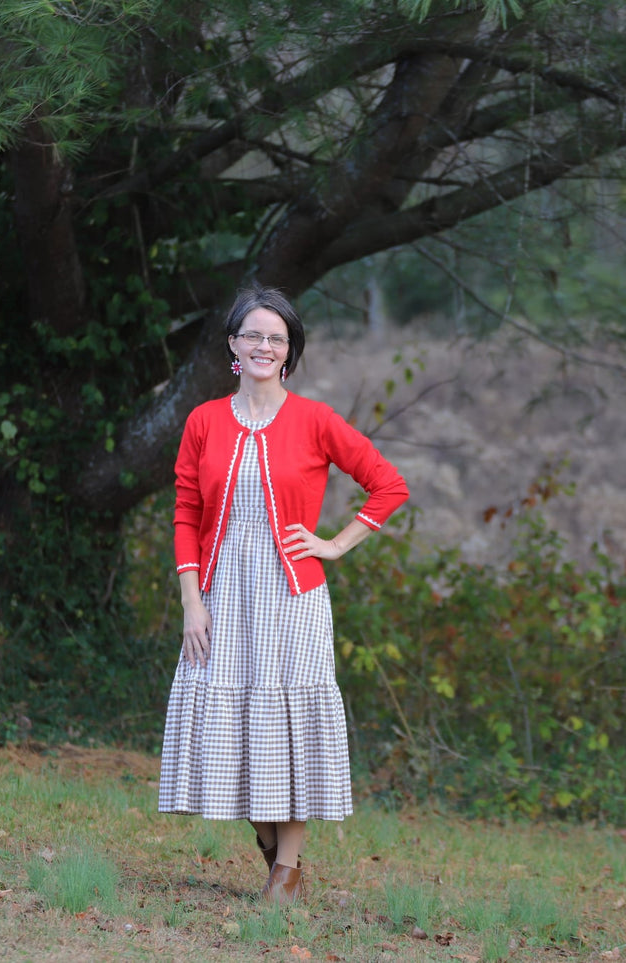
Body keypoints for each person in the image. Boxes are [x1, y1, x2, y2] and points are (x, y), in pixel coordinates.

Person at [157, 285, 409, 903]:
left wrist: (336, 544)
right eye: (253, 335)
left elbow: (389, 485)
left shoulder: (315, 420)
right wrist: (192, 600)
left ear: (289, 351)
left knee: (288, 728)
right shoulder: (204, 420)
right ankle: (276, 857)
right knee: (238, 730)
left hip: (293, 599)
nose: (264, 345)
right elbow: (186, 513)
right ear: (233, 346)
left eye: (277, 337)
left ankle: (286, 875)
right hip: (221, 598)